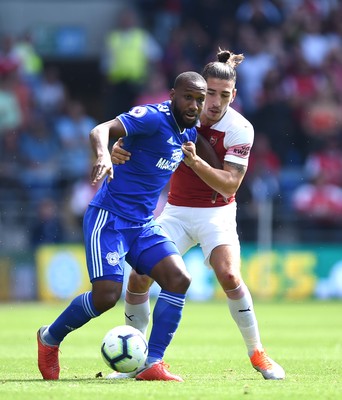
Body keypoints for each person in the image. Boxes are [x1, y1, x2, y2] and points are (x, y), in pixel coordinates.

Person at [109, 49, 285, 380]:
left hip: (216, 214)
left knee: (229, 276)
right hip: (175, 210)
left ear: (234, 95)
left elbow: (230, 185)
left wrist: (195, 162)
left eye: (224, 95)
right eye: (211, 94)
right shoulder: (179, 113)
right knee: (138, 276)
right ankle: (136, 361)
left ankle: (258, 353)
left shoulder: (240, 128)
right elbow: (142, 133)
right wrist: (120, 149)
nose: (215, 103)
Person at [37, 70, 207, 382]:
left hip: (142, 223)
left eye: (199, 99)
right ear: (172, 95)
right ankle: (49, 338)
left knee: (178, 278)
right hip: (110, 217)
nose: (194, 104)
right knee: (106, 296)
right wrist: (105, 154)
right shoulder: (152, 117)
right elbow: (100, 129)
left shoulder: (189, 134)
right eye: (188, 97)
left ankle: (151, 362)